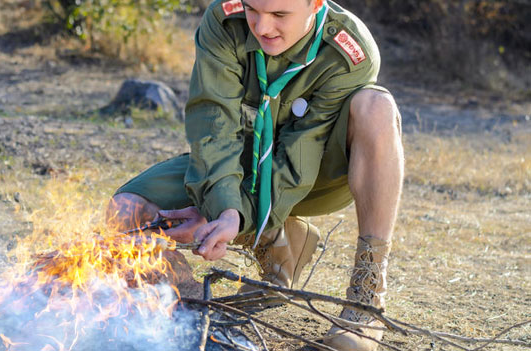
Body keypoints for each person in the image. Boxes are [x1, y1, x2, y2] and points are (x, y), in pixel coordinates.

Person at [106, 0, 404, 349]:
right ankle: (196, 312)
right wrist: (223, 209)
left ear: (316, 4)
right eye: (252, 9)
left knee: (376, 107)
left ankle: (365, 300)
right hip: (238, 164)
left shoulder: (347, 50)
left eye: (280, 15)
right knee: (125, 210)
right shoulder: (224, 21)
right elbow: (213, 127)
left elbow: (298, 156)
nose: (262, 28)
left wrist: (238, 215)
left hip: (322, 174)